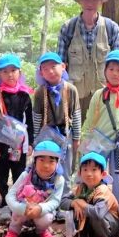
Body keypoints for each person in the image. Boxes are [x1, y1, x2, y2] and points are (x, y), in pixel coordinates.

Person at [79, 50, 119, 201]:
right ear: (105, 71)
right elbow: (89, 119)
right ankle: (92, 202)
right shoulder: (99, 94)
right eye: (111, 69)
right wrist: (85, 137)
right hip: (99, 142)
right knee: (94, 171)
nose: (115, 73)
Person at [57, 0, 119, 123]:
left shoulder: (111, 28)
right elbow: (60, 65)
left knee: (104, 136)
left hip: (105, 93)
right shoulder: (68, 28)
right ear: (80, 0)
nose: (90, 2)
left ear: (101, 1)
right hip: (75, 95)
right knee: (76, 136)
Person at [0, 54, 35, 207]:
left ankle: (17, 200)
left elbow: (30, 121)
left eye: (13, 70)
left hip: (19, 145)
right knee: (1, 173)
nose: (9, 74)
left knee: (19, 173)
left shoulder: (25, 95)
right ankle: (4, 201)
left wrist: (31, 142)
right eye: (4, 71)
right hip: (0, 145)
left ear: (19, 72)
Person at [32, 51, 81, 191]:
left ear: (63, 66)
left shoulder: (71, 89)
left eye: (54, 66)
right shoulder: (40, 92)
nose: (50, 71)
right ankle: (43, 194)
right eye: (45, 69)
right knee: (45, 166)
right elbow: (36, 117)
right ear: (41, 73)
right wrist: (35, 139)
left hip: (66, 134)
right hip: (46, 135)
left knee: (65, 168)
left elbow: (76, 114)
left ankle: (64, 198)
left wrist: (76, 138)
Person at [2, 141, 66, 237]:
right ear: (35, 161)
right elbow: (10, 195)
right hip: (23, 208)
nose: (46, 165)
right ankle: (13, 231)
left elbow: (55, 200)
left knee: (46, 219)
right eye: (41, 160)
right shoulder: (26, 175)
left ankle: (41, 231)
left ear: (57, 163)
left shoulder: (58, 180)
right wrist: (21, 208)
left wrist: (40, 208)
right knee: (17, 215)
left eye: (51, 161)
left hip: (42, 211)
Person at [59, 152, 119, 237]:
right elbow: (63, 202)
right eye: (85, 170)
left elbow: (99, 213)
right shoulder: (81, 188)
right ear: (80, 173)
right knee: (75, 208)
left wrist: (82, 204)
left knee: (94, 214)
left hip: (110, 227)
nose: (89, 174)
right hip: (93, 225)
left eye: (94, 170)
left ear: (103, 174)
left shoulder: (103, 190)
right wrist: (74, 203)